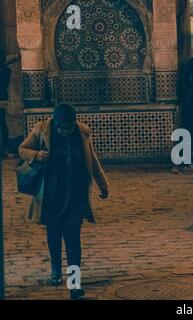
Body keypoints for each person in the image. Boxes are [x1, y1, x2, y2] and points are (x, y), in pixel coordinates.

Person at [18, 103, 110, 300]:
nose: (66, 132)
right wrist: (37, 155)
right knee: (53, 235)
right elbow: (22, 149)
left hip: (75, 196)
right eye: (62, 128)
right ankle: (55, 270)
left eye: (69, 128)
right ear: (56, 123)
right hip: (51, 195)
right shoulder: (41, 129)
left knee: (73, 241)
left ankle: (74, 284)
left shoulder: (82, 133)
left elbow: (92, 161)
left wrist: (104, 185)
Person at [0, 50, 20, 158]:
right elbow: (8, 60)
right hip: (3, 99)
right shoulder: (6, 71)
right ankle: (5, 149)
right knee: (2, 124)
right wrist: (17, 56)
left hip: (1, 99)